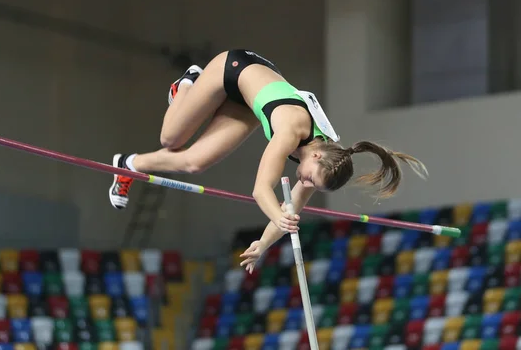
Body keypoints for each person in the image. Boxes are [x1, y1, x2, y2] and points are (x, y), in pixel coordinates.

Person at [109, 49, 428, 271]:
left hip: (252, 101)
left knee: (195, 163)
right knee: (171, 140)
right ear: (316, 156)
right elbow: (262, 189)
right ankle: (187, 83)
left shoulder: (323, 161)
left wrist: (262, 245)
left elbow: (290, 211)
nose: (304, 182)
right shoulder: (290, 131)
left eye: (310, 183)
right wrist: (279, 216)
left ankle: (128, 164)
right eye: (309, 178)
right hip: (233, 69)